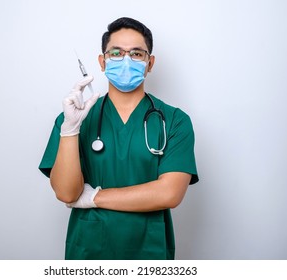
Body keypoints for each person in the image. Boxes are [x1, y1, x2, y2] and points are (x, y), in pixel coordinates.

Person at [39, 17, 199, 260]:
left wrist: (94, 197)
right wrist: (70, 130)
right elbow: (66, 193)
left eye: (136, 54)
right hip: (89, 251)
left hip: (150, 252)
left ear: (150, 63)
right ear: (102, 62)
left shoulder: (174, 120)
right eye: (116, 53)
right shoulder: (73, 119)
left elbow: (169, 194)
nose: (126, 60)